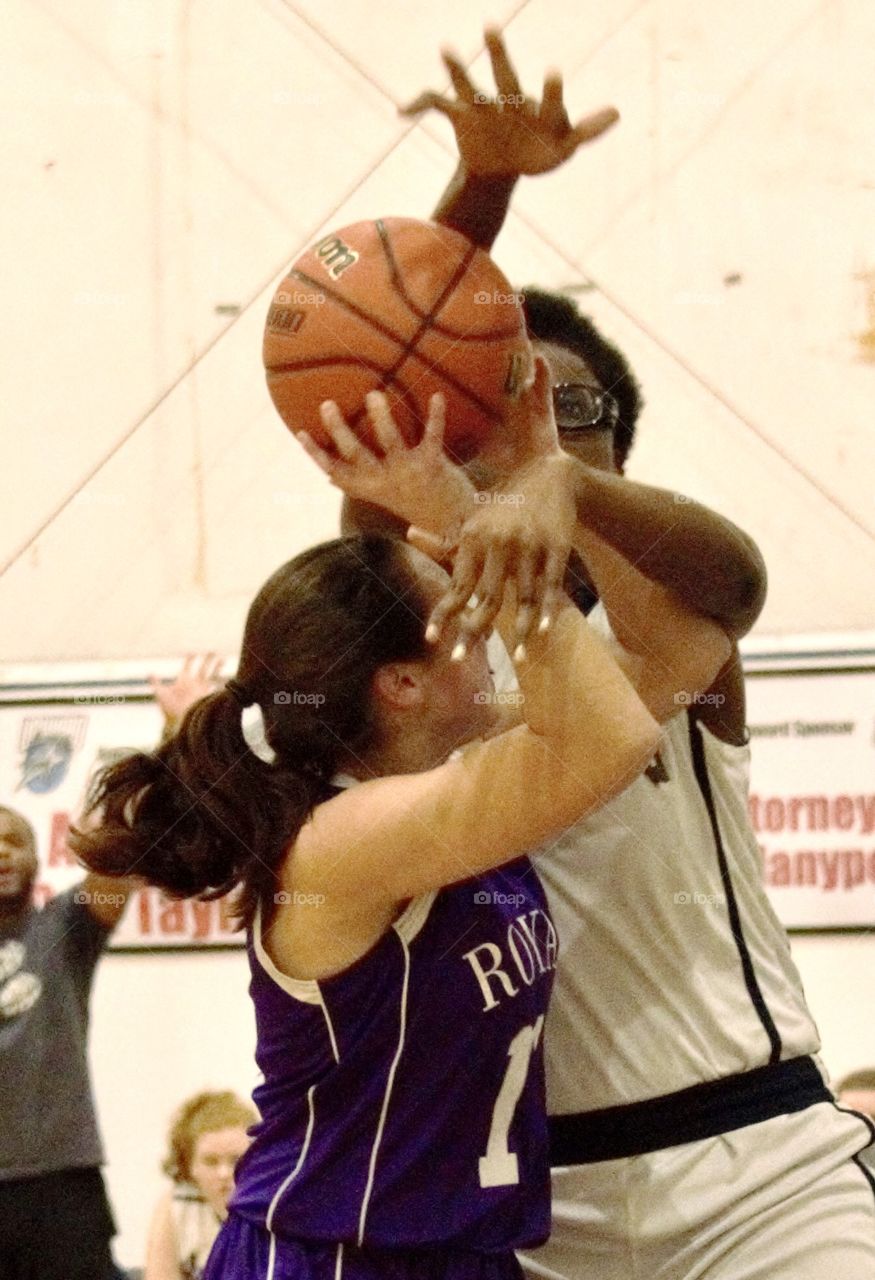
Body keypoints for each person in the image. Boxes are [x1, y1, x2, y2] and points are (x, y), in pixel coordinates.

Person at [332, 28, 875, 1278]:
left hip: (760, 1165)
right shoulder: (428, 640)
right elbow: (386, 379)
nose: (528, 441)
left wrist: (553, 482)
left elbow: (734, 573)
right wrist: (481, 190)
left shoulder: (665, 618)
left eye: (566, 412)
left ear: (615, 448)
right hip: (533, 1197)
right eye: (496, 411)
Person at [70, 373, 731, 1279]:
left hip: (464, 1256)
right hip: (337, 1258)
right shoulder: (341, 842)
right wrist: (466, 517)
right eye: (455, 591)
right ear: (405, 683)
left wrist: (555, 487)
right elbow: (609, 737)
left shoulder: (442, 778)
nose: (475, 586)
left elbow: (688, 644)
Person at [0, 657, 224, 1280]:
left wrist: (176, 737)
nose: (0, 852)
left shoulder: (65, 928)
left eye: (13, 839)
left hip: (60, 1181)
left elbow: (128, 843)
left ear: (36, 861)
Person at [145, 1091, 257, 1280]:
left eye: (236, 1159)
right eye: (210, 1161)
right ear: (189, 1165)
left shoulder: (273, 1208)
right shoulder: (176, 1208)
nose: (224, 1173)